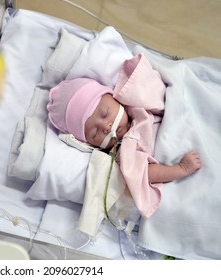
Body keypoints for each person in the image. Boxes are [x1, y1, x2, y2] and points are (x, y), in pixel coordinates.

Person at [47, 53, 201, 218]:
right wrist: (181, 169)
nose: (106, 127)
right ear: (91, 144)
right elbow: (146, 172)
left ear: (114, 98)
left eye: (105, 113)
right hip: (181, 153)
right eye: (94, 133)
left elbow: (161, 90)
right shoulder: (124, 151)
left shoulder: (136, 105)